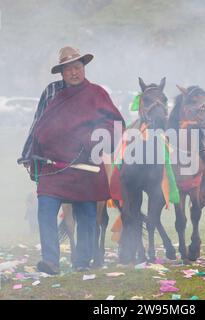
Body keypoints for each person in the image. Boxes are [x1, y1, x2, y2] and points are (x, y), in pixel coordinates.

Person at [18, 46, 124, 274]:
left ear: (84, 68)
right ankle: (51, 261)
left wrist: (93, 141)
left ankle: (82, 262)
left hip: (85, 167)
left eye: (77, 68)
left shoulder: (97, 94)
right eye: (68, 70)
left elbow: (114, 123)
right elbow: (39, 124)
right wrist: (29, 154)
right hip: (52, 167)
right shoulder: (53, 93)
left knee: (87, 214)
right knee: (45, 209)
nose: (74, 73)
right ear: (62, 73)